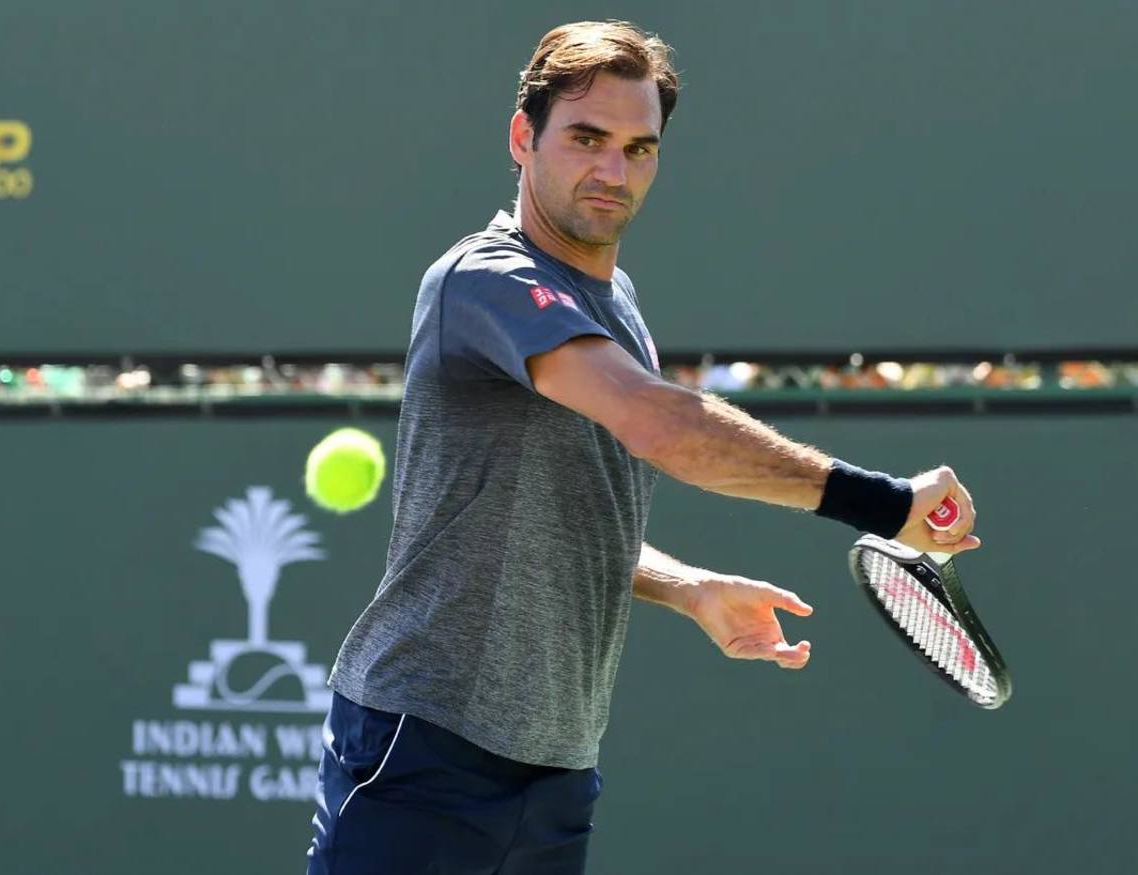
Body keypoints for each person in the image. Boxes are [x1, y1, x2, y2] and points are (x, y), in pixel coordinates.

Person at [306, 19, 980, 875]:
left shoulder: (616, 301)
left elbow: (559, 511)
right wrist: (886, 505)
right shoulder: (483, 278)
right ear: (524, 138)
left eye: (639, 148)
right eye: (586, 139)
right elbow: (660, 424)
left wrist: (688, 586)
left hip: (557, 768)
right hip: (427, 749)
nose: (613, 171)